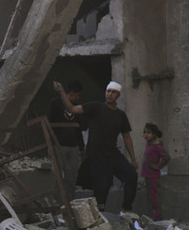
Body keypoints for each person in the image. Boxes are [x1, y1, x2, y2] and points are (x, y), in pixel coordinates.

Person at [53, 80, 138, 212]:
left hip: (113, 154)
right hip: (97, 156)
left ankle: (126, 210)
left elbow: (126, 137)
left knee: (132, 176)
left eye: (113, 92)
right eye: (108, 91)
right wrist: (62, 92)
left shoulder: (120, 115)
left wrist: (133, 159)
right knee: (101, 190)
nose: (110, 94)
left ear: (118, 95)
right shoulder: (95, 107)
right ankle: (99, 218)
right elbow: (72, 109)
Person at [47, 79, 87, 200]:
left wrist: (81, 149)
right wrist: (51, 144)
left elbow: (79, 129)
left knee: (71, 177)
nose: (78, 98)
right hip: (58, 146)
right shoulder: (55, 103)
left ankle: (70, 202)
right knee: (55, 176)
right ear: (72, 93)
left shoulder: (76, 107)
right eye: (77, 95)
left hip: (73, 148)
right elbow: (48, 124)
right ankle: (53, 202)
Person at [141, 123, 169, 221]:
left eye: (148, 132)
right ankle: (155, 219)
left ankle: (158, 220)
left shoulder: (157, 145)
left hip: (153, 176)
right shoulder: (148, 144)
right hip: (148, 175)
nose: (146, 134)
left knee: (155, 199)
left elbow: (166, 157)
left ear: (154, 134)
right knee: (151, 198)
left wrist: (158, 166)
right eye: (145, 132)